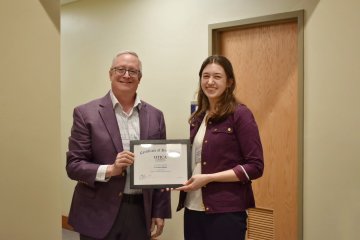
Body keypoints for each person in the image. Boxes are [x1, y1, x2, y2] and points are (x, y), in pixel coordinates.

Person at [66, 51, 171, 240]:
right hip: (97, 212)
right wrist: (111, 169)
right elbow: (74, 166)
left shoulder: (156, 116)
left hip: (140, 212)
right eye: (120, 69)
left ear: (140, 77)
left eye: (133, 71)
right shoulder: (85, 113)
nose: (126, 75)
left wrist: (160, 210)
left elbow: (161, 168)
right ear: (110, 73)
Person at [176, 55, 264, 240]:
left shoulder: (240, 114)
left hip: (226, 212)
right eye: (205, 76)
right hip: (193, 208)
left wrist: (209, 178)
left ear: (229, 82)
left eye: (217, 76)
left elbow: (255, 166)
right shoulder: (198, 117)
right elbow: (196, 161)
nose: (210, 82)